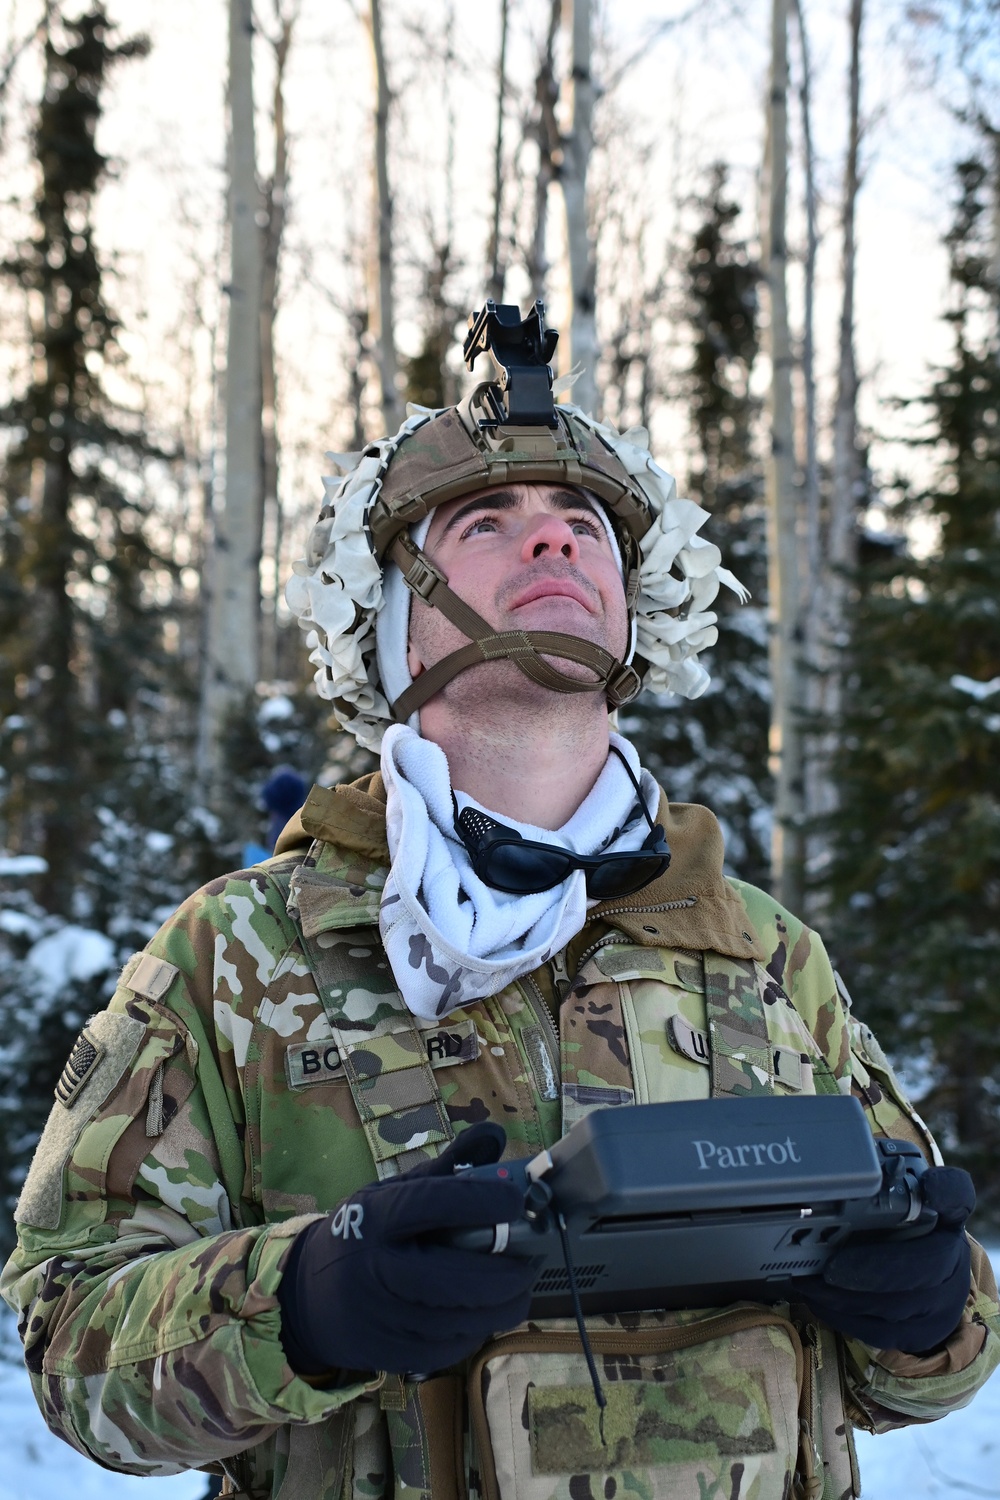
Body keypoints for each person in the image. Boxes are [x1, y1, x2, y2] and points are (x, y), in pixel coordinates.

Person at [3, 301, 998, 1500]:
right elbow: (69, 1343)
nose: (556, 543)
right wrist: (308, 1302)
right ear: (390, 616)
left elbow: (936, 1365)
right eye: (488, 521)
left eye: (584, 523)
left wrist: (928, 1307)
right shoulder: (240, 952)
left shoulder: (765, 955)